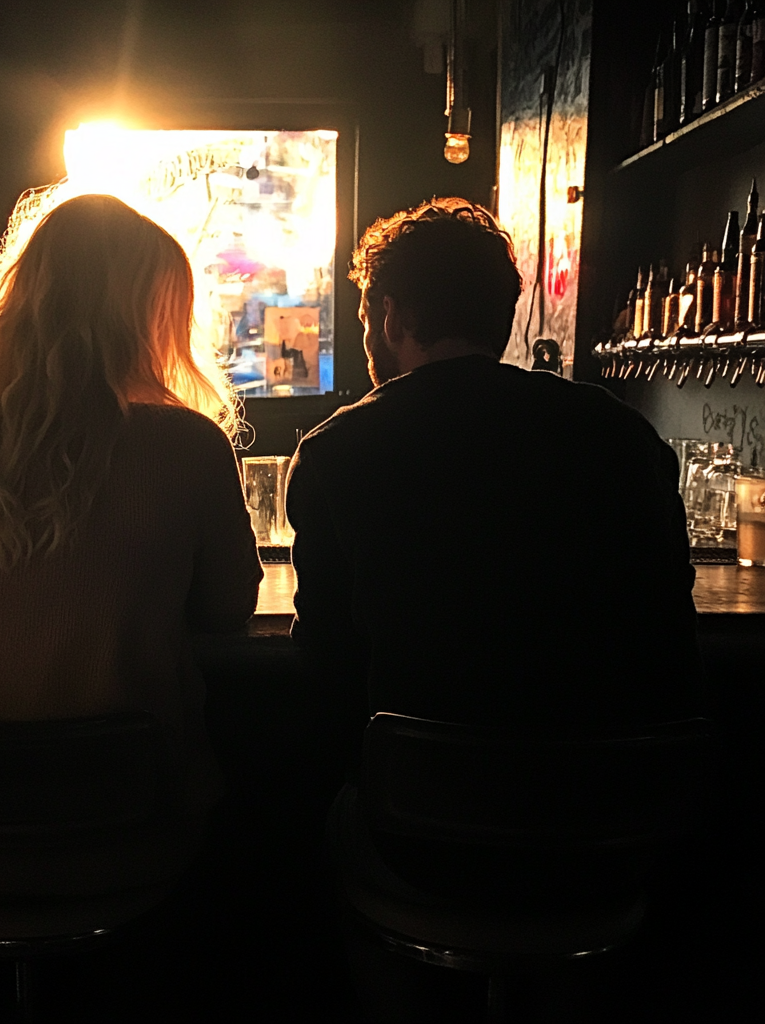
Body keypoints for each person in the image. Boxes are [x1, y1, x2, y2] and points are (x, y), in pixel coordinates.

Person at [0, 191, 263, 893]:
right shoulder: (189, 446)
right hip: (124, 831)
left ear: (18, 305)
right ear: (153, 319)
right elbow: (230, 609)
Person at [286, 198, 702, 756]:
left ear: (394, 316)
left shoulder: (334, 453)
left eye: (366, 320)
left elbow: (325, 668)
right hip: (612, 807)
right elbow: (671, 633)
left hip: (417, 810)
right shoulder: (623, 434)